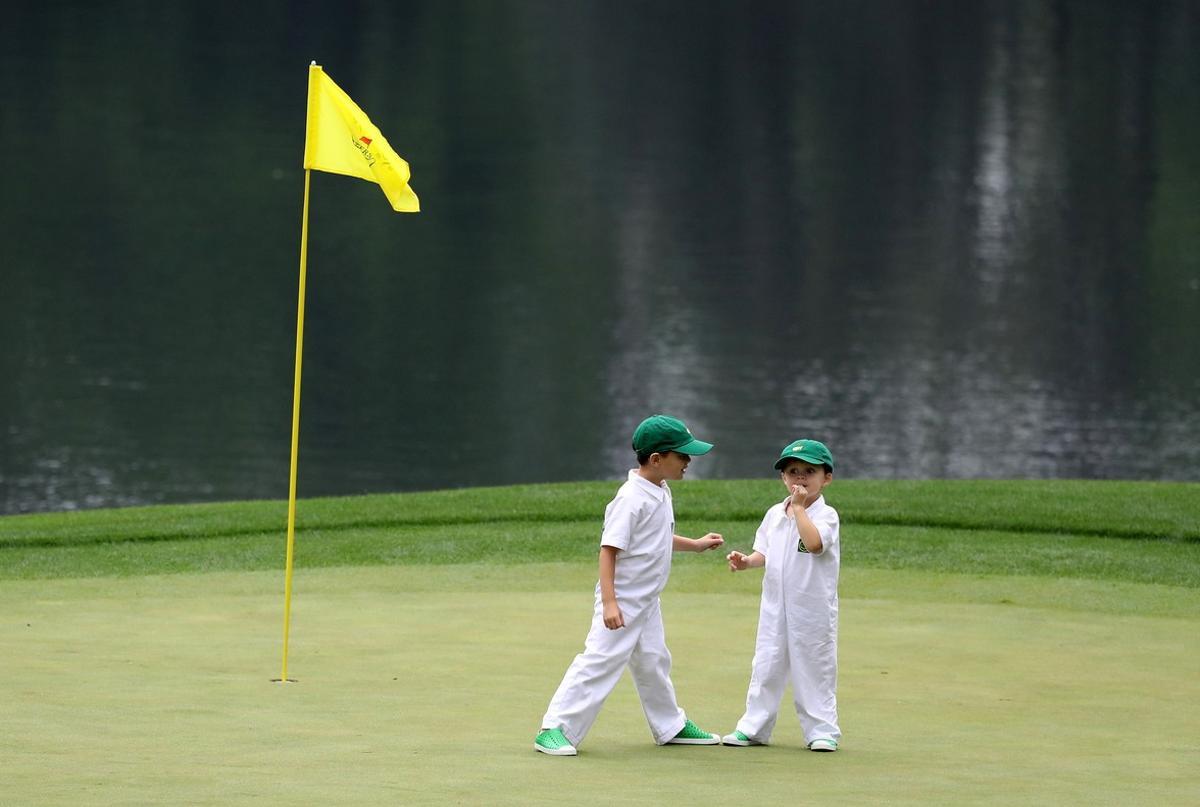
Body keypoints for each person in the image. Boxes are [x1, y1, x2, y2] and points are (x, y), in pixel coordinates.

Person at [534, 414, 726, 756]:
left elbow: (657, 537)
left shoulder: (660, 489)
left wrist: (694, 544)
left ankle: (670, 724)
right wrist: (610, 603)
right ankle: (554, 728)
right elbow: (608, 551)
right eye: (682, 455)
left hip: (647, 600)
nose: (688, 461)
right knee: (599, 661)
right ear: (656, 459)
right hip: (622, 601)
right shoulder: (630, 499)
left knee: (654, 659)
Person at [722, 439, 842, 752]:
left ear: (826, 478)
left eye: (809, 471)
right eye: (793, 472)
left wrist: (800, 509)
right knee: (766, 664)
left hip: (812, 609)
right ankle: (754, 727)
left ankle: (821, 730)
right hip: (775, 608)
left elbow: (814, 544)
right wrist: (747, 562)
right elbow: (765, 550)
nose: (800, 478)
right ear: (783, 478)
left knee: (814, 666)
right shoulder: (775, 513)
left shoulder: (825, 515)